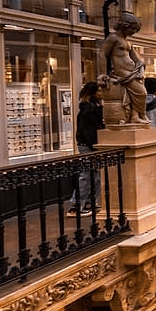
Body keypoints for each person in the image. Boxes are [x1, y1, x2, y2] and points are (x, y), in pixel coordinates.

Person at [100, 11, 150, 124]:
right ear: (125, 26)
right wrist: (103, 73)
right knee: (141, 93)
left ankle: (135, 116)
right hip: (122, 72)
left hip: (132, 72)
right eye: (132, 29)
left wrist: (141, 64)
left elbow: (136, 59)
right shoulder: (113, 38)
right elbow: (102, 54)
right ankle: (141, 114)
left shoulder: (127, 42)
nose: (133, 32)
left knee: (136, 95)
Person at [71, 81, 104, 217]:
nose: (102, 92)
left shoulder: (94, 107)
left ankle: (91, 202)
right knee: (86, 175)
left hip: (90, 144)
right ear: (93, 93)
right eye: (100, 90)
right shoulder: (88, 110)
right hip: (88, 145)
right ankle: (76, 205)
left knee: (95, 175)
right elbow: (89, 130)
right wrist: (95, 145)